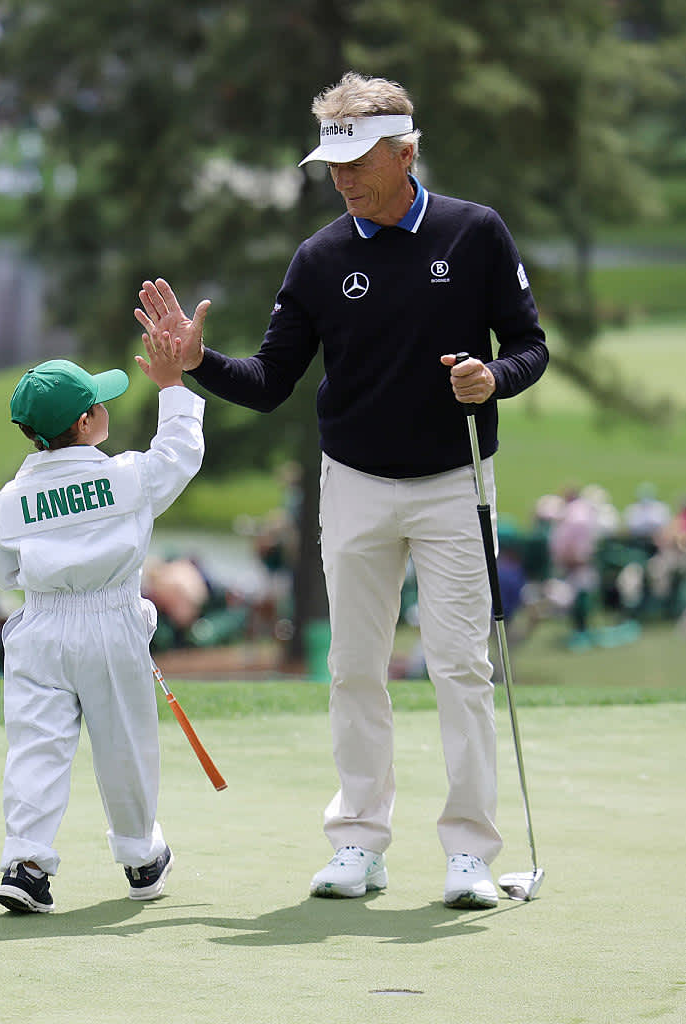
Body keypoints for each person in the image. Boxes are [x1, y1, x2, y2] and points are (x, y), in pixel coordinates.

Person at [134, 71, 548, 909]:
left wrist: (492, 378)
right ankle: (358, 841)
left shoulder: (475, 234)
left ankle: (469, 853)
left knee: (461, 668)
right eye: (332, 165)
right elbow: (267, 380)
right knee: (354, 668)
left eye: (357, 162)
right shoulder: (321, 257)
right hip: (353, 484)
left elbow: (530, 344)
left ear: (404, 153)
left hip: (452, 481)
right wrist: (197, 362)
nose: (342, 179)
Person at [0, 337, 204, 913]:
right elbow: (180, 452)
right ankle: (139, 857)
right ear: (87, 422)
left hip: (40, 629)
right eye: (99, 403)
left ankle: (26, 863)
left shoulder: (9, 500)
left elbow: (2, 570)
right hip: (111, 624)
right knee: (125, 746)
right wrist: (172, 386)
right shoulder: (127, 477)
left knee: (36, 746)